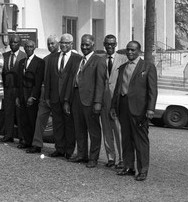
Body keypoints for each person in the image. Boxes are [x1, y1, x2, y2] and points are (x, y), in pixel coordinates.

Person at [111, 41, 157, 182]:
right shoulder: (123, 67)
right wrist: (113, 107)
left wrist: (150, 109)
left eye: (133, 50)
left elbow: (152, 90)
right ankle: (129, 166)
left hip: (139, 108)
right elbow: (118, 89)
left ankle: (143, 170)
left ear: (139, 51)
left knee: (140, 140)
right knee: (126, 139)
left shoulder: (147, 67)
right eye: (128, 50)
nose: (130, 52)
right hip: (123, 106)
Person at [64, 34, 105, 168]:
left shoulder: (98, 60)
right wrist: (67, 100)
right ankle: (82, 154)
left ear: (93, 45)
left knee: (93, 131)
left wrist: (98, 102)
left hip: (91, 100)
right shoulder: (78, 60)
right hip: (76, 98)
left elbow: (100, 83)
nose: (84, 47)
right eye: (82, 44)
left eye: (87, 45)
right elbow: (71, 81)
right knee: (79, 129)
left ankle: (93, 158)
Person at [44, 34, 80, 158]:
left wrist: (69, 99)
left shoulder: (77, 59)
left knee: (69, 125)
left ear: (71, 44)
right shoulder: (53, 58)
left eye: (66, 43)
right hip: (54, 97)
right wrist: (47, 96)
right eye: (62, 43)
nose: (64, 45)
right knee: (57, 124)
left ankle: (69, 151)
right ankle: (59, 148)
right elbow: (48, 77)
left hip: (69, 98)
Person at [26, 35, 59, 154]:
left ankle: (60, 148)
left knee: (58, 123)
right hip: (45, 94)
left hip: (58, 94)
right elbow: (40, 79)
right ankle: (37, 144)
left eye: (53, 43)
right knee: (40, 119)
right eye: (49, 44)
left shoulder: (63, 57)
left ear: (58, 43)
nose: (50, 46)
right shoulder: (44, 60)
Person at [100, 34, 126, 169]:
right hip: (104, 101)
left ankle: (122, 159)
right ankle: (111, 158)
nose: (109, 46)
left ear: (116, 45)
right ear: (104, 45)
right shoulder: (100, 59)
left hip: (117, 102)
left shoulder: (123, 59)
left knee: (119, 131)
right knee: (107, 131)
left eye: (112, 44)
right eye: (107, 44)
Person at [16, 40, 45, 149]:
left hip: (32, 95)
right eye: (26, 47)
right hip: (22, 94)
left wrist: (33, 96)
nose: (28, 48)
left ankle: (35, 144)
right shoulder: (22, 62)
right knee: (24, 120)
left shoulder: (39, 62)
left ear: (34, 48)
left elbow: (38, 82)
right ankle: (27, 141)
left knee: (32, 120)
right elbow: (19, 81)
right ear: (24, 48)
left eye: (31, 47)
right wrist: (18, 97)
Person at [0, 35, 26, 143]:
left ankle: (22, 137)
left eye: (16, 42)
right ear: (9, 44)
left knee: (19, 115)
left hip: (19, 89)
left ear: (20, 44)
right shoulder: (4, 55)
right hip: (7, 89)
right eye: (12, 42)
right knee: (8, 113)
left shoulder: (24, 56)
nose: (13, 44)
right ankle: (8, 135)